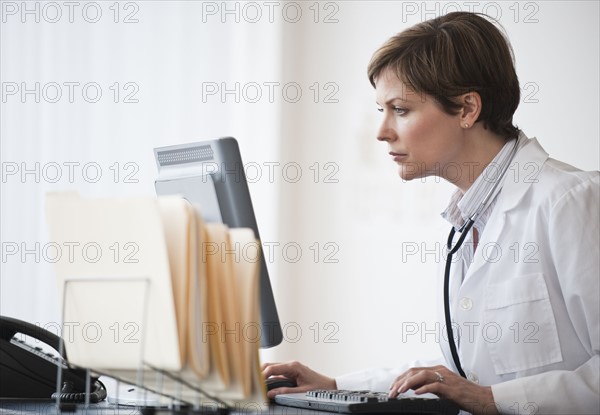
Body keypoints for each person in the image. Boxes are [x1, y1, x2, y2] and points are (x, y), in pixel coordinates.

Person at [262, 11, 600, 415]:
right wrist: (336, 386)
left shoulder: (571, 201)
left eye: (400, 110)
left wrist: (491, 401)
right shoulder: (470, 217)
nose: (382, 131)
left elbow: (480, 391)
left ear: (466, 109)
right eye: (381, 110)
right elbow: (459, 372)